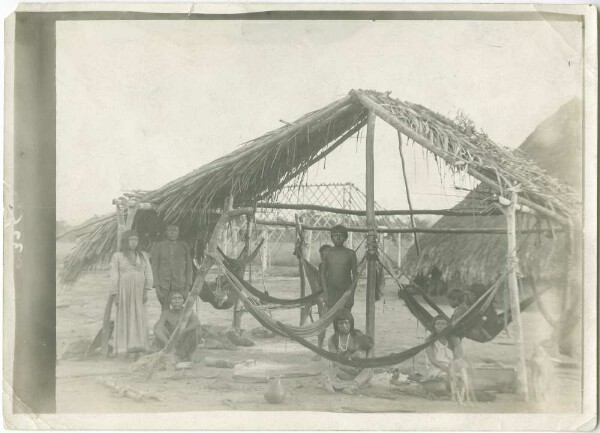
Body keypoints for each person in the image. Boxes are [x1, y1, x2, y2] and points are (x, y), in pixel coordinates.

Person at [110, 230, 152, 358]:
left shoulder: (143, 256)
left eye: (136, 240)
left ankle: (139, 346)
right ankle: (124, 347)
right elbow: (114, 275)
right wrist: (116, 293)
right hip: (124, 290)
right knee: (125, 315)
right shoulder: (118, 256)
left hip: (139, 290)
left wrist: (146, 290)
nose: (134, 242)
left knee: (139, 315)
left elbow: (148, 273)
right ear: (126, 241)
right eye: (131, 240)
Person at [321, 309, 373, 395]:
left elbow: (370, 348)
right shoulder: (333, 339)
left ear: (351, 323)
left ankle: (346, 385)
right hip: (343, 370)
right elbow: (334, 361)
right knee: (334, 371)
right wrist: (346, 368)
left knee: (368, 370)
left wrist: (366, 363)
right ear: (336, 325)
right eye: (341, 323)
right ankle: (352, 386)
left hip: (358, 371)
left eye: (346, 323)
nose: (344, 326)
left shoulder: (357, 335)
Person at [151, 224, 193, 311]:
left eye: (175, 231)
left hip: (180, 284)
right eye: (169, 230)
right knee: (165, 310)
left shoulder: (183, 246)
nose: (172, 233)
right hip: (164, 285)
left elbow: (189, 268)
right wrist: (157, 288)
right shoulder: (159, 246)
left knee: (180, 309)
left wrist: (187, 287)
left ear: (178, 232)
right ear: (166, 232)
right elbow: (155, 267)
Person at [153, 291, 201, 361]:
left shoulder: (188, 311)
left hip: (184, 341)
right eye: (174, 298)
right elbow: (157, 329)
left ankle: (190, 353)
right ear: (170, 301)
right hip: (171, 342)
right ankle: (173, 354)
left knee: (198, 330)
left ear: (183, 301)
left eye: (179, 298)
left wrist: (184, 331)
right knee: (161, 330)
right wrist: (168, 344)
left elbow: (197, 322)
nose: (177, 301)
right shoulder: (166, 313)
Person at [319, 225, 358, 312]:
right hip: (331, 291)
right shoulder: (326, 253)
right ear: (332, 237)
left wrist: (351, 294)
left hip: (345, 292)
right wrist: (325, 292)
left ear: (345, 238)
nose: (338, 238)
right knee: (327, 318)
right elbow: (323, 274)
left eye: (341, 236)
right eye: (335, 235)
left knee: (344, 318)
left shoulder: (350, 254)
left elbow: (355, 276)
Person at [424, 315, 463, 380]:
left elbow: (458, 356)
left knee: (462, 376)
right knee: (446, 377)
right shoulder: (429, 341)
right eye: (438, 323)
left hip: (451, 366)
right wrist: (445, 369)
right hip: (436, 367)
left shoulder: (454, 340)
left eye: (443, 323)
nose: (440, 325)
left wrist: (453, 368)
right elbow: (433, 360)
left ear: (447, 326)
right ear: (434, 326)